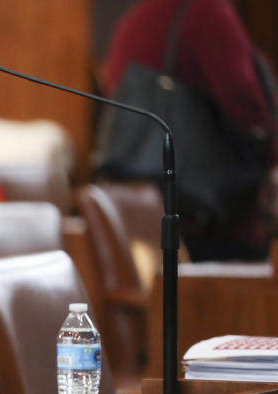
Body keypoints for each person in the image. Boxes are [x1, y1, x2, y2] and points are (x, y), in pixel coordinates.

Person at [100, 0, 278, 261]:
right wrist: (272, 159)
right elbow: (245, 103)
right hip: (215, 223)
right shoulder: (207, 10)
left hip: (149, 218)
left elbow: (112, 87)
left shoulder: (135, 18)